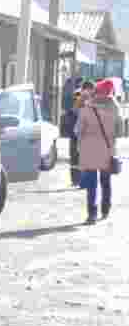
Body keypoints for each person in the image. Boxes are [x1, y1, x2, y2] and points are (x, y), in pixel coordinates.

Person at [76, 78, 118, 224]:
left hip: (90, 149)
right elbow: (120, 129)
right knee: (106, 181)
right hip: (108, 148)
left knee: (92, 183)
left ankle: (92, 214)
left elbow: (79, 130)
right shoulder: (114, 107)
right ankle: (105, 209)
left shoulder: (87, 107)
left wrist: (80, 145)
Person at [69, 80, 94, 187]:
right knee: (78, 157)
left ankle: (77, 180)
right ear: (87, 89)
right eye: (91, 90)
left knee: (77, 157)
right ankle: (78, 180)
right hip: (79, 132)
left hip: (77, 132)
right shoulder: (80, 97)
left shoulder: (82, 97)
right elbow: (74, 111)